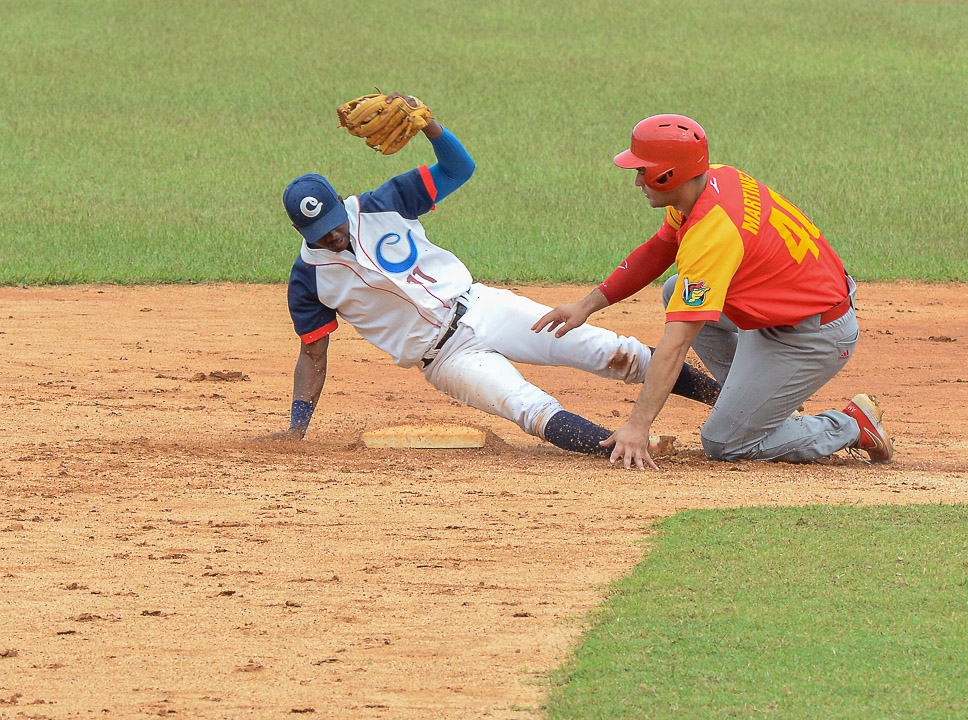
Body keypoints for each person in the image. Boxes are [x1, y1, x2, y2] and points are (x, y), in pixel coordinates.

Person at [262, 96, 720, 455]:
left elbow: (459, 169)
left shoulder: (382, 203)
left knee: (612, 352)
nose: (336, 237)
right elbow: (313, 355)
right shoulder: (308, 282)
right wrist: (296, 427)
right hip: (444, 360)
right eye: (322, 235)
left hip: (484, 306)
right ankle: (617, 449)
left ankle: (730, 401)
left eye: (337, 225)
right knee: (528, 407)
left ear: (341, 205)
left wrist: (430, 127)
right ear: (302, 232)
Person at [533, 114, 892, 470]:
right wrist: (588, 304)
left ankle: (851, 425)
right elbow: (659, 249)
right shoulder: (712, 179)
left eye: (642, 171)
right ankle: (759, 403)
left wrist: (638, 425)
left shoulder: (712, 233)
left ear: (668, 174)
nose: (637, 181)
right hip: (790, 307)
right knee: (676, 288)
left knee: (724, 442)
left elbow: (675, 346)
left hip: (814, 335)